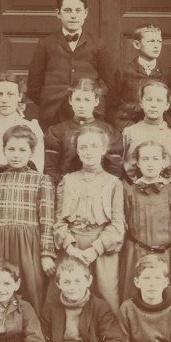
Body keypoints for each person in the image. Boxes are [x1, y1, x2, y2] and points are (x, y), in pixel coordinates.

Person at [0, 124, 57, 310]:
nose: (16, 154)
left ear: (32, 152)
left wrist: (46, 253)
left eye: (22, 150)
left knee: (29, 288)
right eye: (11, 149)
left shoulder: (41, 180)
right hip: (0, 241)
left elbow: (47, 221)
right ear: (4, 150)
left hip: (28, 244)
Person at [54, 125, 124, 310]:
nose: (88, 151)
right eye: (83, 147)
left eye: (94, 146)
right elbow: (59, 221)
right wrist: (69, 247)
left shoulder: (113, 183)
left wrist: (95, 249)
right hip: (72, 248)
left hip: (102, 248)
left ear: (103, 149)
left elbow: (117, 225)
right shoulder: (67, 180)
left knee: (107, 294)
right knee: (66, 293)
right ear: (77, 150)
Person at [24, 0, 117, 128]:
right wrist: (49, 100)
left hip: (89, 113)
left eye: (78, 10)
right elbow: (34, 85)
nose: (73, 15)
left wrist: (96, 104)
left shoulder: (98, 44)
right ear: (58, 13)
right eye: (67, 10)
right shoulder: (46, 43)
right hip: (53, 114)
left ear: (85, 13)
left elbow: (109, 83)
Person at [120, 140, 171, 303]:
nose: (150, 164)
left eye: (155, 159)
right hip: (136, 254)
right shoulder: (129, 191)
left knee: (169, 299)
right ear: (138, 163)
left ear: (164, 161)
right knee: (135, 297)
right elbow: (123, 225)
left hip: (167, 255)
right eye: (145, 159)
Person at [121, 79, 171, 194]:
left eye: (159, 100)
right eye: (149, 100)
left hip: (164, 193)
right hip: (134, 192)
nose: (153, 105)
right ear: (141, 103)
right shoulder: (130, 132)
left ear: (167, 105)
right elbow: (122, 165)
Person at [44, 80, 118, 182]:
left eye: (87, 100)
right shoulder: (57, 132)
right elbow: (50, 169)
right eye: (77, 99)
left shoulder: (108, 131)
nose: (82, 105)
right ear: (70, 100)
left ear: (96, 101)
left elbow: (115, 168)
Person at [113, 23, 171, 129]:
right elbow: (112, 106)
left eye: (159, 41)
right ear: (137, 44)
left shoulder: (166, 73)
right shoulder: (123, 72)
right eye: (151, 41)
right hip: (129, 126)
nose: (156, 45)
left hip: (159, 126)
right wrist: (125, 127)